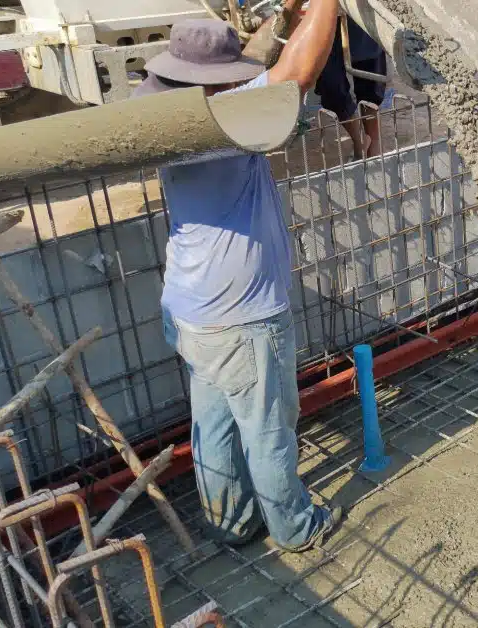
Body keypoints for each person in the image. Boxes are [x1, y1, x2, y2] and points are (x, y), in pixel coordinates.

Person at [131, 0, 343, 553]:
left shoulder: (168, 123)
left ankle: (231, 524)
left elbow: (260, 69)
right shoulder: (222, 126)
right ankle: (295, 528)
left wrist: (284, 20)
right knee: (268, 429)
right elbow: (295, 76)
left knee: (216, 426)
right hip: (243, 319)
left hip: (190, 312)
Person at [315, 16, 388, 160]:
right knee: (330, 84)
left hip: (360, 12)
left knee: (370, 78)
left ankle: (374, 144)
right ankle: (360, 140)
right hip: (322, 15)